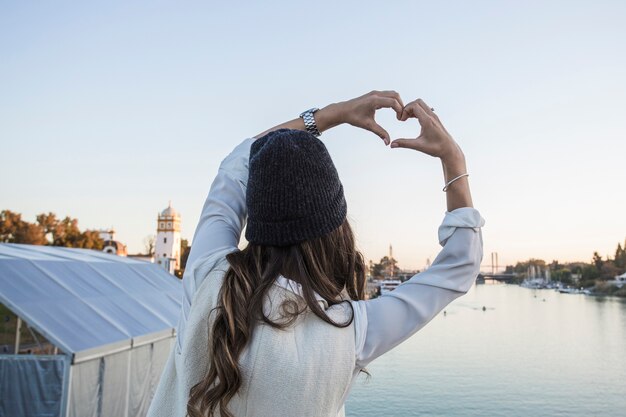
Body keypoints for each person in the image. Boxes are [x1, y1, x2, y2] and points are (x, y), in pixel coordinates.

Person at [147, 91, 485, 417]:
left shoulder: (207, 277)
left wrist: (332, 114)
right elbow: (460, 265)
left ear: (257, 215)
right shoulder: (350, 333)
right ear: (336, 229)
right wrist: (453, 159)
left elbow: (237, 161)